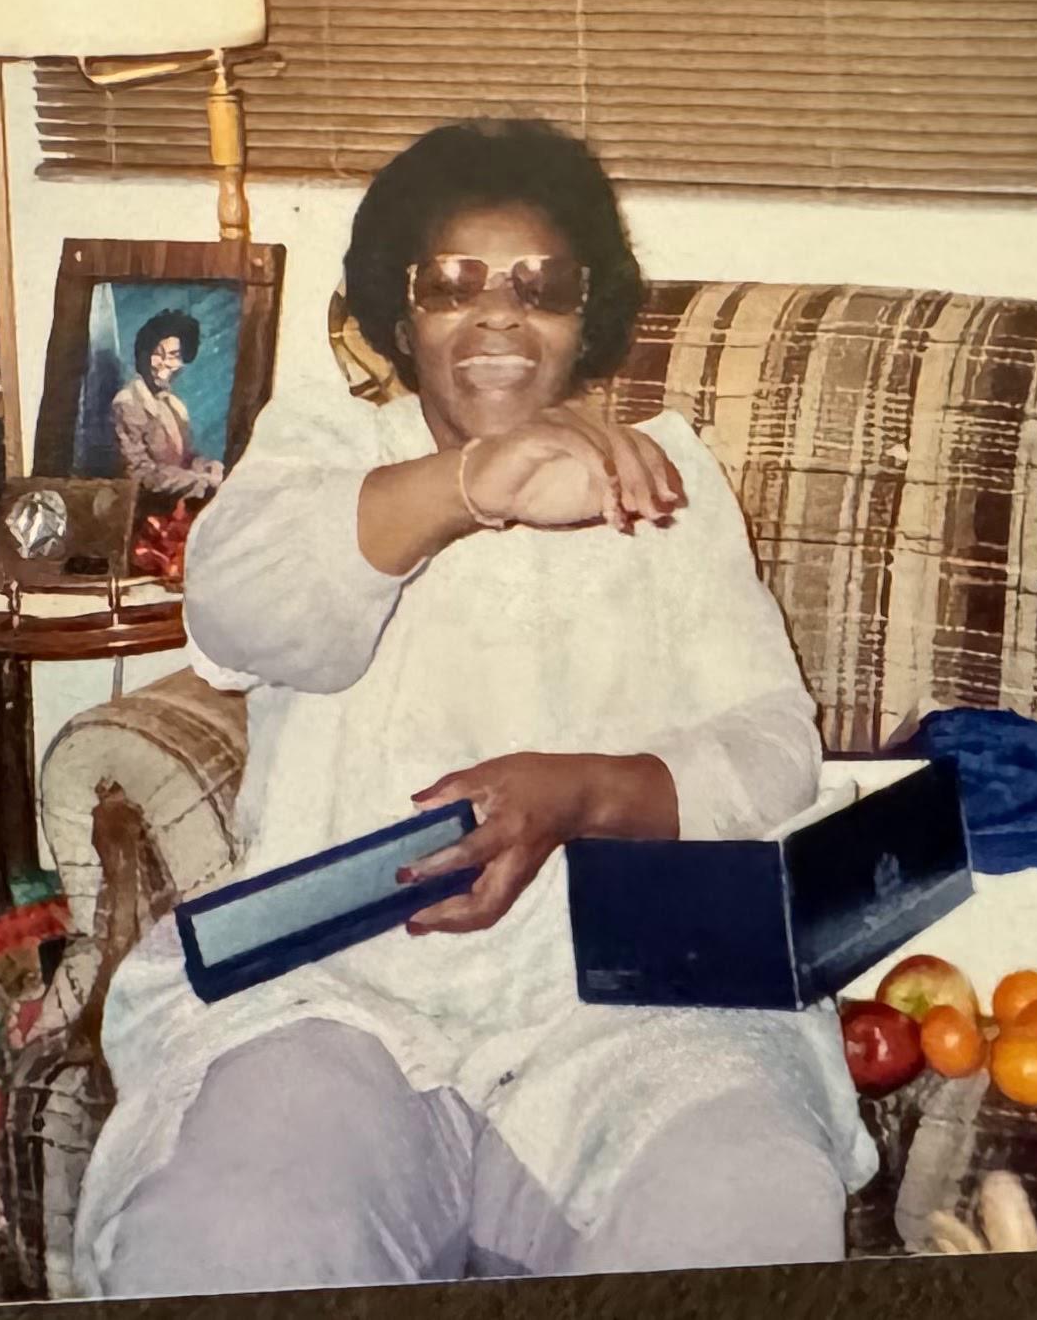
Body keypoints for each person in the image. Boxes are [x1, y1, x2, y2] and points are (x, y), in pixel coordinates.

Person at [76, 117, 873, 1295]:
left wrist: (582, 794)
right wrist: (470, 482)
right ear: (400, 316)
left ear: (585, 316)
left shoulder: (663, 474)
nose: (497, 316)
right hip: (335, 991)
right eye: (452, 282)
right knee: (230, 1232)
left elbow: (771, 748)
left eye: (539, 286)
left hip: (627, 996)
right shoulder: (325, 449)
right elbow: (238, 611)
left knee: (738, 1204)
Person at [105, 308, 227, 504]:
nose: (164, 363)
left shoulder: (174, 405)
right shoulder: (127, 403)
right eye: (157, 354)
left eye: (174, 356)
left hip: (178, 502)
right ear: (143, 355)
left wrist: (207, 467)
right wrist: (199, 481)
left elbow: (185, 459)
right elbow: (140, 475)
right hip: (145, 507)